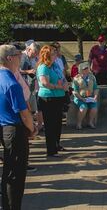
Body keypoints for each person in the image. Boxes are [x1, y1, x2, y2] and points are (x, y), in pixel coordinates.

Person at [0, 45, 37, 210]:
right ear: (9, 58)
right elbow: (24, 113)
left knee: (8, 173)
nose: (20, 57)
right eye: (17, 55)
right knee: (16, 175)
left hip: (4, 128)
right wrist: (32, 129)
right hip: (13, 130)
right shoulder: (11, 83)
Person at [36, 45, 68, 157]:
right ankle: (51, 150)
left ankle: (56, 144)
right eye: (53, 53)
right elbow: (44, 83)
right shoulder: (43, 67)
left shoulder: (55, 65)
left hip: (58, 97)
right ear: (47, 55)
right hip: (48, 98)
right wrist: (59, 87)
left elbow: (62, 77)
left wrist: (65, 84)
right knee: (50, 124)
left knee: (58, 123)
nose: (56, 55)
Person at [72, 62, 98, 129]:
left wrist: (95, 96)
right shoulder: (76, 79)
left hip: (90, 97)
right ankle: (79, 124)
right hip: (80, 97)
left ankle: (90, 122)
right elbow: (75, 91)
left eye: (87, 68)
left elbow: (95, 88)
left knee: (94, 108)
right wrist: (81, 98)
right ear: (80, 70)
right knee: (83, 108)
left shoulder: (92, 77)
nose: (86, 70)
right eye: (84, 69)